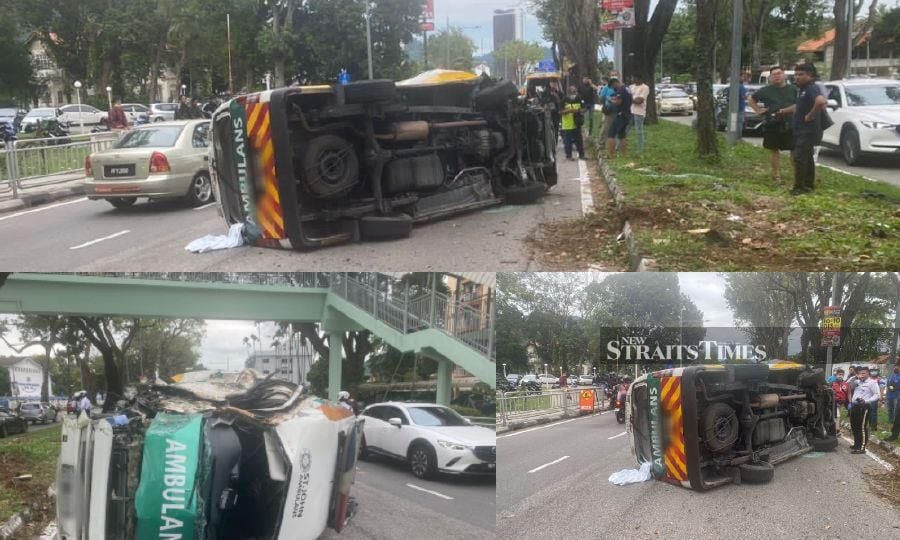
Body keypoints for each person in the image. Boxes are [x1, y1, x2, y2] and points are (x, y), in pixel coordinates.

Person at [778, 63, 827, 195]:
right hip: (800, 129)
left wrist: (810, 115)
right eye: (796, 75)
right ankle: (808, 185)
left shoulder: (812, 88)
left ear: (810, 76)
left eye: (801, 75)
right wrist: (784, 111)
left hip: (808, 129)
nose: (797, 77)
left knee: (799, 157)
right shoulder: (803, 90)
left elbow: (821, 101)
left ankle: (799, 187)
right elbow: (798, 107)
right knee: (807, 157)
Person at [749, 66, 798, 182]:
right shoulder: (766, 90)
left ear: (784, 75)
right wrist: (758, 110)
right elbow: (751, 99)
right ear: (770, 77)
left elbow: (800, 104)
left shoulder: (794, 89)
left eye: (779, 73)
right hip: (773, 123)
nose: (777, 76)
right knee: (774, 149)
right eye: (774, 75)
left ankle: (797, 174)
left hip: (791, 123)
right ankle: (776, 175)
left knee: (794, 150)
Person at [849, 366, 880, 454]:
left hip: (864, 407)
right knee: (854, 426)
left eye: (863, 373)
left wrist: (866, 401)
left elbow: (877, 395)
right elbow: (847, 385)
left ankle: (861, 447)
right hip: (854, 406)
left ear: (868, 374)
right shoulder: (857, 381)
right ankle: (856, 444)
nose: (861, 375)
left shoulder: (872, 382)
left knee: (861, 427)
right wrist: (855, 378)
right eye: (860, 373)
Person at [606, 78, 632, 158]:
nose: (613, 88)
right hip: (627, 114)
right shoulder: (627, 89)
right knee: (622, 135)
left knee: (611, 134)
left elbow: (618, 102)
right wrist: (614, 98)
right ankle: (624, 155)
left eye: (613, 86)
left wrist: (611, 100)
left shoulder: (621, 90)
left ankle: (611, 155)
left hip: (621, 115)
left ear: (615, 83)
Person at [560, 86, 585, 160]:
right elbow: (560, 111)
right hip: (567, 125)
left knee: (579, 141)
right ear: (569, 93)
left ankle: (581, 155)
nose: (574, 93)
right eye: (573, 92)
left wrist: (579, 111)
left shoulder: (579, 99)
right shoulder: (564, 100)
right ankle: (569, 156)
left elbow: (584, 108)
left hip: (577, 124)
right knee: (568, 142)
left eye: (575, 92)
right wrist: (569, 111)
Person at [628, 74, 649, 154]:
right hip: (630, 111)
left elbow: (639, 101)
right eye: (632, 78)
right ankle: (619, 147)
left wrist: (629, 98)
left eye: (634, 78)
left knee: (639, 131)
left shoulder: (645, 87)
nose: (633, 79)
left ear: (639, 78)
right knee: (625, 129)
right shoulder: (631, 87)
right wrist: (632, 99)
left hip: (639, 112)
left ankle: (639, 150)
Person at [598, 77, 616, 147]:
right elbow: (601, 98)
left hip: (617, 109)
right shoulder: (606, 88)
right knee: (606, 126)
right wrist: (605, 104)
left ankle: (612, 143)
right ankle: (601, 143)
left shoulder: (618, 88)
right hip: (609, 109)